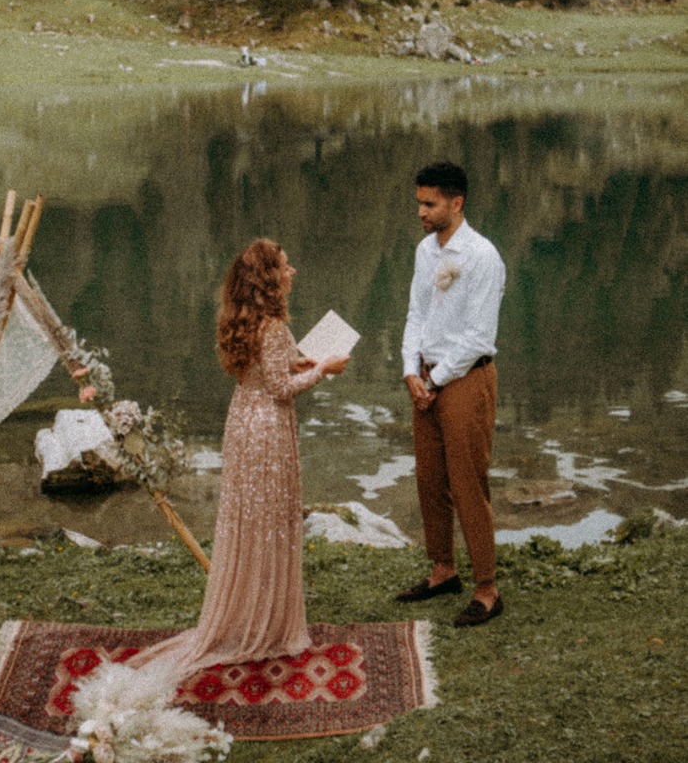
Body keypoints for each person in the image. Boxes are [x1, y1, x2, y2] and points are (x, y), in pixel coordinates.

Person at [128, 238, 349, 680]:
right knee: (270, 520)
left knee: (250, 519)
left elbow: (270, 369)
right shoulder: (273, 328)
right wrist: (323, 370)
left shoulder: (249, 322)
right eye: (285, 267)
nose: (292, 273)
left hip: (243, 423)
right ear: (269, 278)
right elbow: (281, 389)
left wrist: (303, 359)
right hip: (266, 429)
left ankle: (251, 612)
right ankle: (266, 626)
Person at [395, 161, 506, 627]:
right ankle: (443, 569)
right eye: (419, 202)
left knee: (467, 483)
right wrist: (410, 372)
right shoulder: (425, 250)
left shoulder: (483, 257)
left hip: (464, 380)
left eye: (429, 203)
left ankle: (487, 588)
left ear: (456, 204)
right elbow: (415, 313)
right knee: (429, 480)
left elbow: (479, 336)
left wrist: (436, 379)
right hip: (426, 379)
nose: (421, 211)